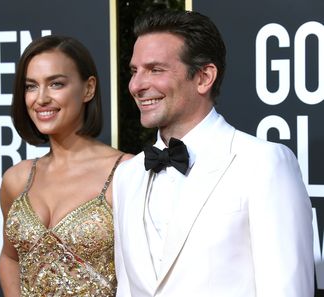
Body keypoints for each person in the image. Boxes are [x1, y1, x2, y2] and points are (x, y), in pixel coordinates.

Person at [112, 9, 314, 297]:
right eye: (134, 71)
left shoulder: (263, 164)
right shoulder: (127, 176)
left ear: (204, 77)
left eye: (155, 70)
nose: (136, 85)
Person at [0, 35, 131, 297]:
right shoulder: (17, 179)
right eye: (31, 86)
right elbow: (9, 258)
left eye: (56, 84)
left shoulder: (126, 172)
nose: (41, 98)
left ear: (88, 89)